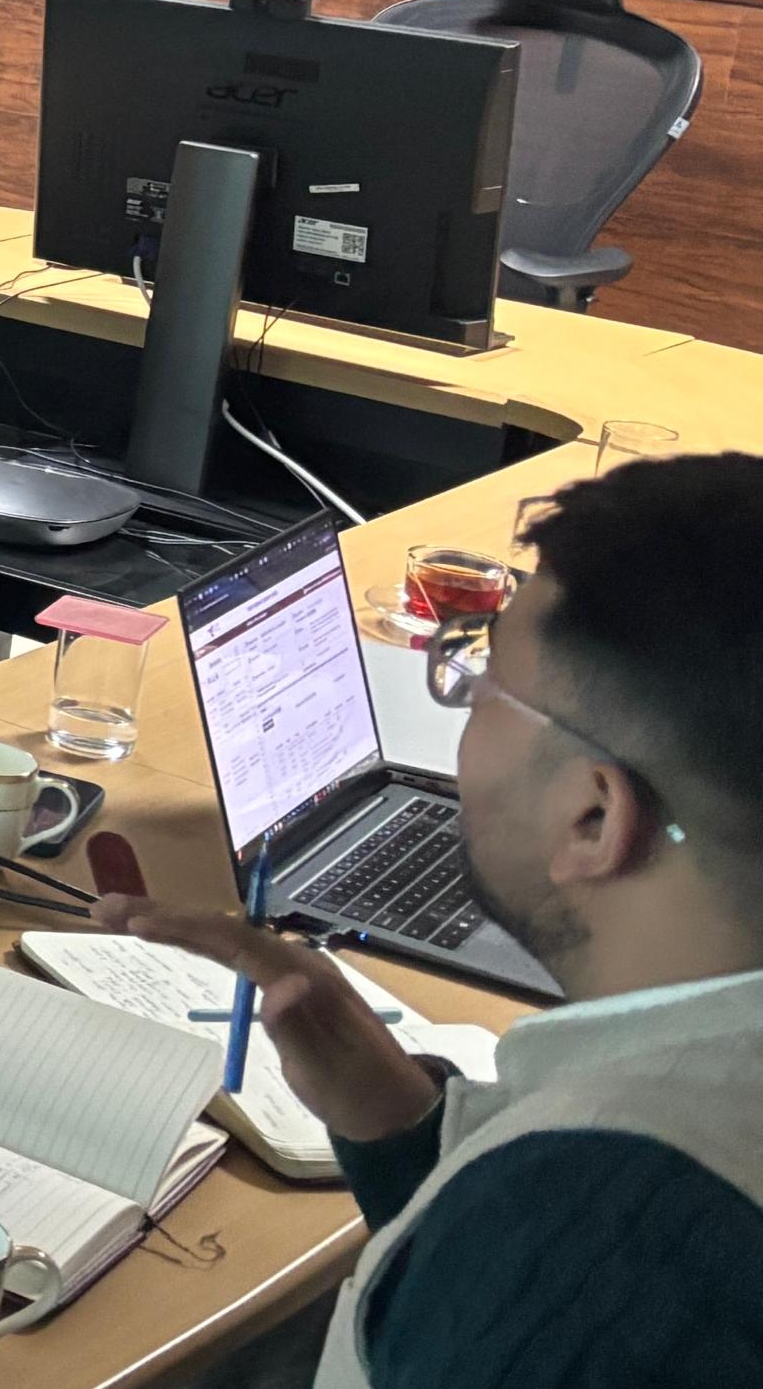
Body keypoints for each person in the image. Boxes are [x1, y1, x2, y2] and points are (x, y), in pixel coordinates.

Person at [95, 454, 763, 1389]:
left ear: (593, 816)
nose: (463, 721)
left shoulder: (583, 1251)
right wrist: (401, 1124)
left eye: (483, 689)